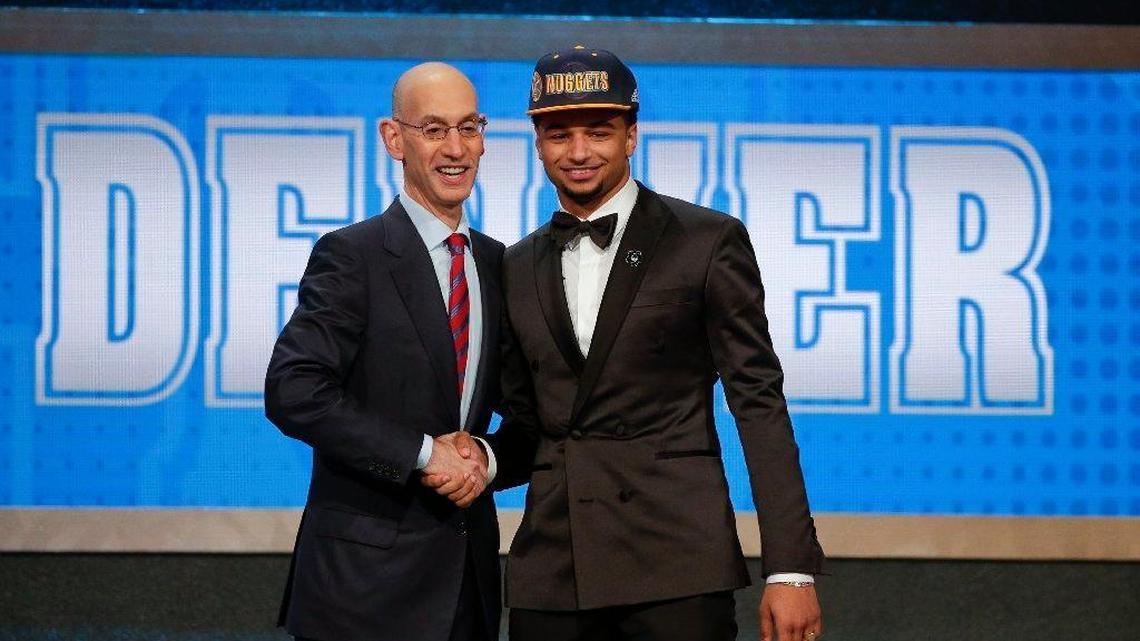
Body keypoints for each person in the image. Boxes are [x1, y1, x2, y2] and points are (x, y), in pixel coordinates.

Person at [493, 46, 825, 641]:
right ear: (537, 142)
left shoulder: (706, 240)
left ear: (631, 135)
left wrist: (791, 568)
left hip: (676, 567)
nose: (578, 152)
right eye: (558, 134)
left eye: (599, 131)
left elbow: (759, 403)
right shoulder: (515, 266)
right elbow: (526, 421)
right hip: (553, 569)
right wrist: (470, 458)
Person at [264, 62, 504, 641]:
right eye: (433, 128)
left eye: (469, 128)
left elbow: (527, 411)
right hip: (363, 594)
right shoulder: (352, 256)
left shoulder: (499, 263)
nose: (455, 148)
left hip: (467, 592)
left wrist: (485, 460)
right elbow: (294, 391)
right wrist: (425, 455)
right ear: (394, 138)